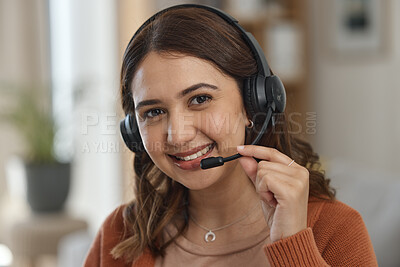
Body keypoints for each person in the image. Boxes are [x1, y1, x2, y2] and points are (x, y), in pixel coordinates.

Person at [84, 4, 377, 267]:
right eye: (153, 112)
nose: (179, 135)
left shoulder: (336, 230)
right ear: (133, 130)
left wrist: (294, 247)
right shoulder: (119, 233)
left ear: (253, 104)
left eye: (199, 99)